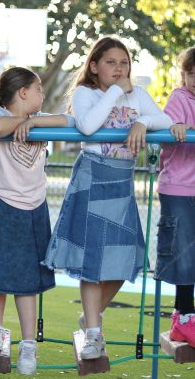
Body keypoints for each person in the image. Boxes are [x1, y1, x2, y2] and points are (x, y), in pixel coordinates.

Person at [42, 36, 174, 360]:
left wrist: (142, 119)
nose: (118, 69)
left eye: (124, 63)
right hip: (93, 177)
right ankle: (94, 334)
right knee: (92, 263)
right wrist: (117, 91)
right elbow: (87, 126)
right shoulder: (86, 93)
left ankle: (91, 315)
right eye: (111, 62)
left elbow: (167, 122)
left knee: (127, 258)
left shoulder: (138, 95)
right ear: (94, 66)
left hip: (121, 183)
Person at [0, 67, 75, 375]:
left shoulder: (39, 120)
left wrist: (34, 121)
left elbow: (71, 121)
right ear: (23, 92)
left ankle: (28, 344)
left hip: (33, 207)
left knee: (27, 282)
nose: (42, 95)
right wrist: (25, 123)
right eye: (38, 89)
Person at [154, 46, 195, 346]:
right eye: (191, 74)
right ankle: (184, 315)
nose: (194, 80)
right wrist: (176, 127)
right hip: (179, 187)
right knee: (182, 251)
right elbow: (166, 126)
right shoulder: (180, 98)